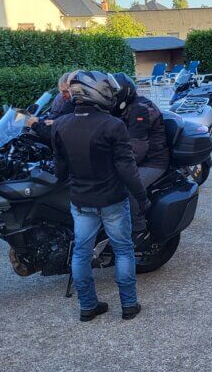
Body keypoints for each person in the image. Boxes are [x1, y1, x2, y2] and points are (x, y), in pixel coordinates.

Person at [51, 71, 149, 322]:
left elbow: (60, 170)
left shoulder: (60, 124)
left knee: (81, 254)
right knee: (124, 251)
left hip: (81, 201)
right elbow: (127, 168)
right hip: (112, 199)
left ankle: (88, 306)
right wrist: (141, 197)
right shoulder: (113, 125)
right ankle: (128, 305)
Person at [111, 72, 169, 242]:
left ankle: (139, 230)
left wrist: (116, 166)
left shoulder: (140, 109)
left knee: (129, 186)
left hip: (153, 162)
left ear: (125, 92)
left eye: (114, 94)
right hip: (134, 158)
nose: (111, 98)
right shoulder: (123, 107)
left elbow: (137, 148)